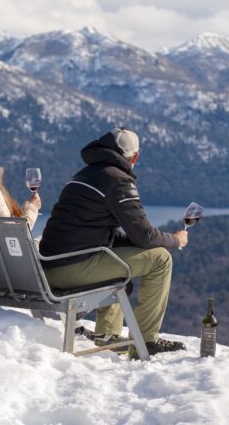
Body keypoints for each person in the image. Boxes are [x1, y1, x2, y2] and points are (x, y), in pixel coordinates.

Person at [39, 127, 188, 357]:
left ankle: (107, 335)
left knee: (118, 252)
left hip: (50, 266)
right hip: (71, 268)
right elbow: (144, 235)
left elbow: (102, 232)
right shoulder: (117, 180)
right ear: (134, 157)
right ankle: (146, 342)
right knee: (161, 259)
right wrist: (174, 240)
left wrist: (142, 241)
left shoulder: (84, 175)